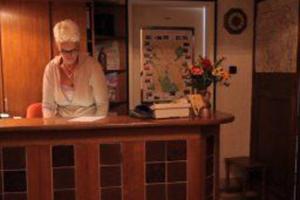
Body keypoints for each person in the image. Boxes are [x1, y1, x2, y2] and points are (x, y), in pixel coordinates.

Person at [42, 19, 108, 118]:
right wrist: (52, 129)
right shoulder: (51, 69)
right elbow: (47, 106)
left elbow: (102, 105)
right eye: (64, 51)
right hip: (61, 127)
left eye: (74, 50)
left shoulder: (93, 66)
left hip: (89, 125)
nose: (70, 55)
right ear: (58, 48)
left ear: (78, 46)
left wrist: (95, 129)